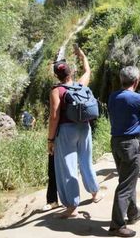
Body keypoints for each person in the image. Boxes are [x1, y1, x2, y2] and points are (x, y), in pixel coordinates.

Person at [47, 47, 102, 218]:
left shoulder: (57, 91)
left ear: (57, 75)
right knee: (86, 161)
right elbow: (88, 70)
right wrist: (83, 55)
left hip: (66, 131)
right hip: (84, 127)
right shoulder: (80, 85)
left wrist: (50, 139)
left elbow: (54, 116)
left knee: (68, 167)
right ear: (70, 72)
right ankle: (95, 193)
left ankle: (72, 207)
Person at [107, 66, 140, 237]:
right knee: (126, 185)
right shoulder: (137, 98)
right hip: (130, 144)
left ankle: (133, 212)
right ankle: (117, 225)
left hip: (116, 142)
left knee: (127, 179)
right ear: (136, 82)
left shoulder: (113, 96)